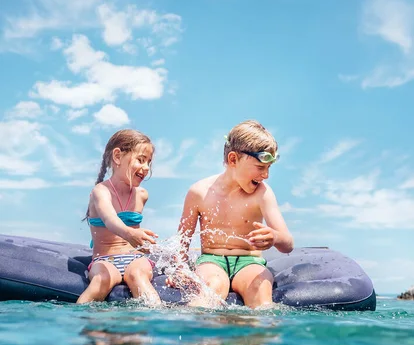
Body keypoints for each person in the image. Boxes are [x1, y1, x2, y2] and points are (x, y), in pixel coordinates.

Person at [168, 120, 294, 308]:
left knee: (259, 289)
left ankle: (256, 337)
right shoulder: (199, 192)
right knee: (214, 286)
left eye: (268, 168)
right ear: (233, 159)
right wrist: (179, 269)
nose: (266, 175)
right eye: (260, 167)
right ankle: (198, 335)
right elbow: (182, 241)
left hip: (249, 261)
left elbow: (288, 244)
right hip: (212, 260)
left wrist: (274, 237)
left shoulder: (263, 194)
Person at [77, 129, 161, 305]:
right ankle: (89, 328)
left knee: (138, 276)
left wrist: (148, 244)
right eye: (140, 160)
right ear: (117, 157)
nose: (146, 168)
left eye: (149, 162)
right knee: (101, 280)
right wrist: (130, 233)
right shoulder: (100, 192)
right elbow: (110, 220)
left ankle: (150, 326)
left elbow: (139, 242)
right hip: (104, 259)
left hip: (135, 259)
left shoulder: (142, 195)